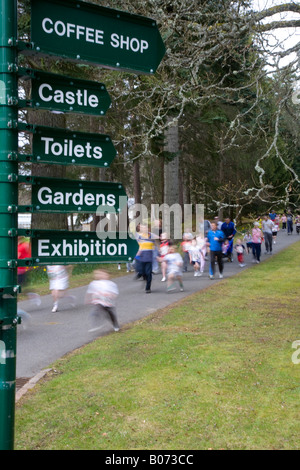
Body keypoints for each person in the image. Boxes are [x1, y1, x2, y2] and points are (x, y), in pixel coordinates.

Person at [136, 224, 157, 293]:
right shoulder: (138, 236)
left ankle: (148, 288)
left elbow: (156, 245)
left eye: (145, 228)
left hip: (149, 257)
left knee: (148, 273)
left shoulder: (151, 236)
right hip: (141, 256)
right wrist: (136, 255)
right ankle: (142, 275)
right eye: (142, 228)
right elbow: (137, 246)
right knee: (142, 272)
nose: (144, 229)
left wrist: (159, 254)